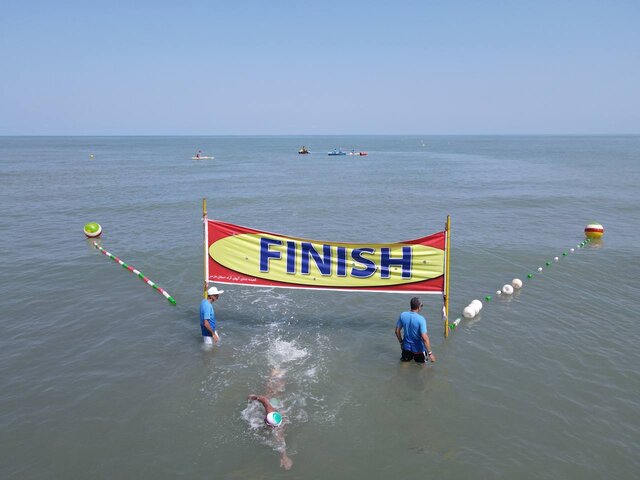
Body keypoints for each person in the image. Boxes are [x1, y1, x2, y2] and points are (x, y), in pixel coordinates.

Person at [248, 368, 293, 470]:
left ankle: (279, 376)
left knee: (276, 395)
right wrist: (253, 397)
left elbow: (281, 442)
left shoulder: (277, 428)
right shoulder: (269, 410)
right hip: (273, 403)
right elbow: (263, 399)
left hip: (278, 410)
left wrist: (284, 457)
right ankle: (275, 374)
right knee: (271, 392)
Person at [395, 297, 436, 363]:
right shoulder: (421, 319)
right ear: (419, 307)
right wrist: (430, 353)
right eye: (421, 306)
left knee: (404, 366)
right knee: (422, 369)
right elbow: (424, 338)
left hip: (406, 348)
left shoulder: (403, 315)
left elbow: (397, 331)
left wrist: (401, 342)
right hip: (419, 350)